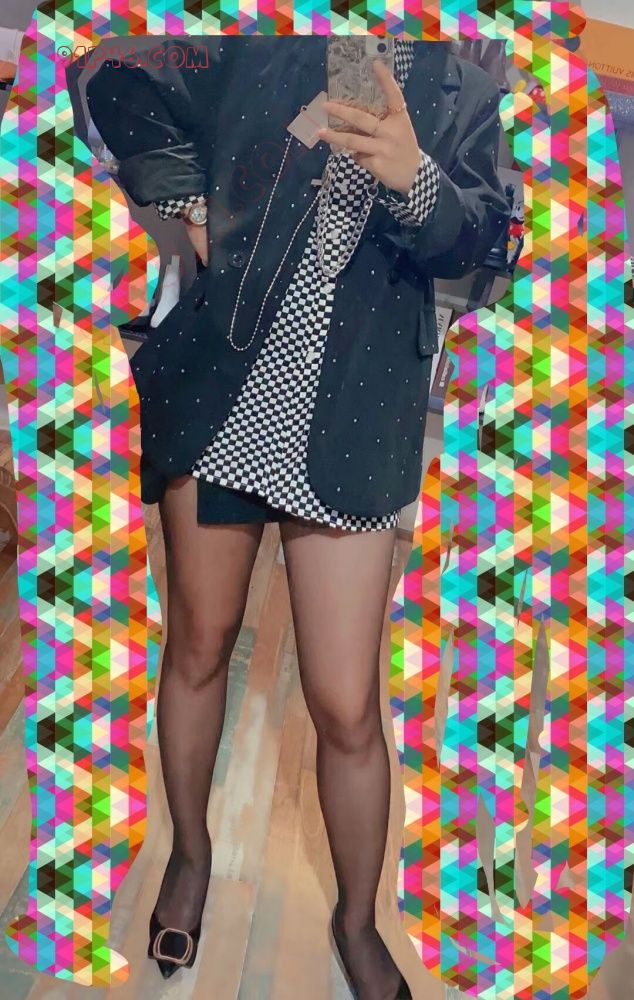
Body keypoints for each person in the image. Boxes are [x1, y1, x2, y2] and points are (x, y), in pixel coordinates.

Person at [87, 35, 510, 999]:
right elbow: (117, 78)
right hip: (224, 387)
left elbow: (486, 246)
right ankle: (190, 856)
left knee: (346, 703)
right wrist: (193, 207)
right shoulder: (250, 38)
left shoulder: (462, 82)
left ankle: (356, 921)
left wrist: (414, 178)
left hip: (358, 409)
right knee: (199, 645)